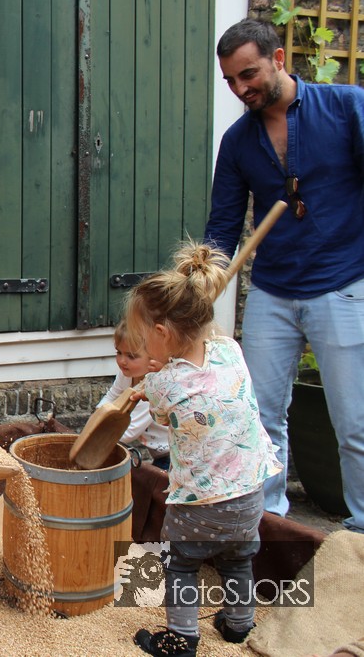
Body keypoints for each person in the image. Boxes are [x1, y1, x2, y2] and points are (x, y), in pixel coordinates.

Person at [204, 17, 364, 534]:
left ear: (277, 59)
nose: (240, 88)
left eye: (248, 74)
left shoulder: (347, 107)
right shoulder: (238, 141)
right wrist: (201, 280)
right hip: (272, 293)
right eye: (230, 80)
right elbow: (223, 227)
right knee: (259, 419)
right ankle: (269, 526)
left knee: (356, 424)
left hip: (343, 286)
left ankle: (361, 534)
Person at [124, 242, 282, 657]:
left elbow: (162, 419)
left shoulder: (164, 384)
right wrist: (168, 364)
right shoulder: (230, 350)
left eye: (144, 337)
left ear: (162, 333)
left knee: (180, 563)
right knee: (236, 559)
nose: (143, 345)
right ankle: (238, 625)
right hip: (250, 494)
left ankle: (181, 639)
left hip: (202, 503)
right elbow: (201, 374)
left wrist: (156, 376)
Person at [97, 319, 169, 469]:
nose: (122, 361)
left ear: (153, 357)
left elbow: (129, 431)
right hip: (158, 452)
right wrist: (98, 416)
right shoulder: (127, 374)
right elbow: (111, 396)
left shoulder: (152, 387)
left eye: (131, 356)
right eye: (119, 352)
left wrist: (96, 438)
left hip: (171, 455)